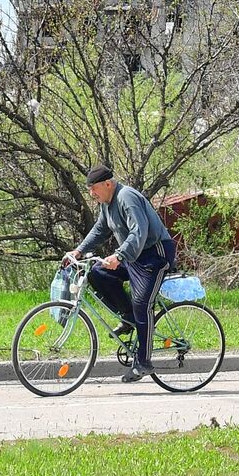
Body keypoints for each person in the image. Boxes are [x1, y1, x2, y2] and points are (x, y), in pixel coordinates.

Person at [62, 164, 177, 383]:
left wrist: (120, 256)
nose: (92, 194)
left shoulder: (127, 197)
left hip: (155, 254)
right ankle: (128, 317)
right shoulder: (107, 204)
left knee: (142, 304)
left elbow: (139, 231)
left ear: (108, 184)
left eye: (94, 189)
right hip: (134, 256)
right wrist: (78, 251)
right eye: (89, 191)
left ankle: (143, 362)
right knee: (98, 273)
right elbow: (99, 230)